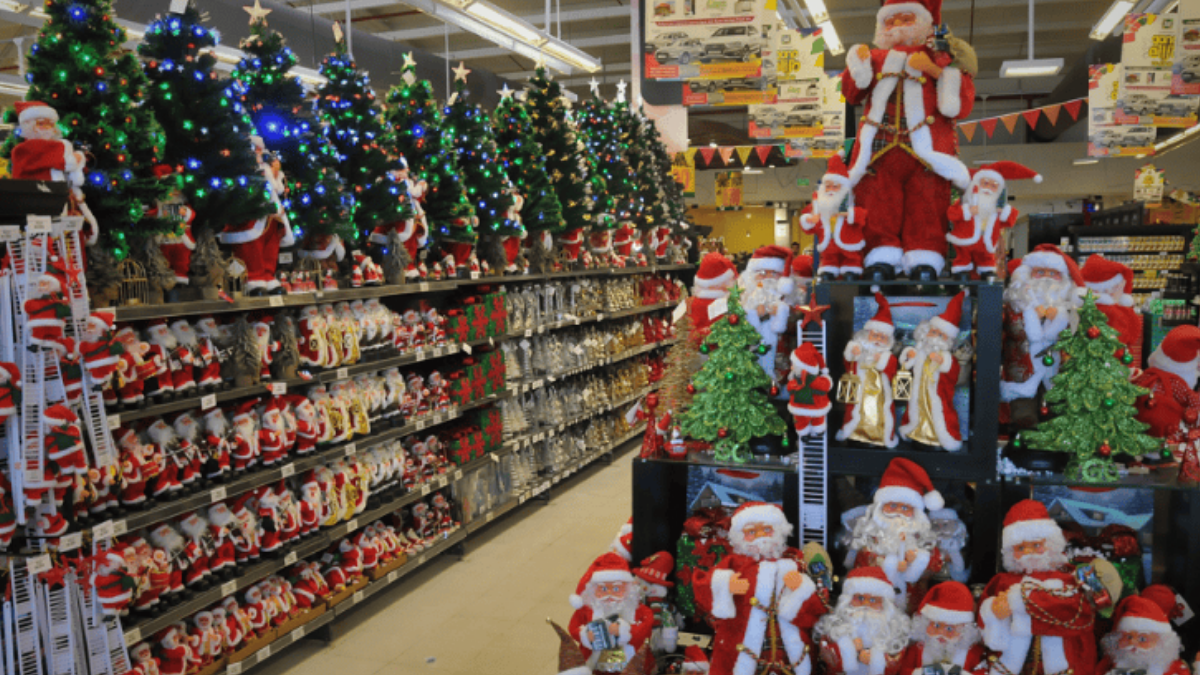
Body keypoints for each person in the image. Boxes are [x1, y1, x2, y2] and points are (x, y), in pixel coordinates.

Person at [840, 0, 975, 281]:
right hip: (878, 153)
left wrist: (935, 70)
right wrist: (858, 63)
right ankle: (880, 255)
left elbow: (961, 104)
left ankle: (925, 256)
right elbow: (852, 94)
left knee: (927, 205)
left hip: (928, 153)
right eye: (890, 22)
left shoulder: (941, 55)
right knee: (877, 204)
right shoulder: (876, 58)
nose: (898, 26)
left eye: (905, 19)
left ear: (924, 21)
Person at [694, 502, 822, 675]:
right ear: (740, 536)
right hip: (742, 649)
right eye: (751, 532)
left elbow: (817, 608)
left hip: (787, 654)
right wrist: (725, 585)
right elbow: (703, 588)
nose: (761, 535)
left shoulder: (794, 562)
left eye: (767, 529)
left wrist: (801, 588)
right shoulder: (733, 564)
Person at [978, 500, 1096, 675]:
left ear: (1052, 544)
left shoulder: (1074, 576)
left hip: (1066, 662)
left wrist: (1019, 601)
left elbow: (1085, 614)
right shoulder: (1002, 580)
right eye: (1020, 547)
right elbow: (982, 620)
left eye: (1036, 545)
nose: (1028, 552)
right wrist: (994, 611)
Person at [847, 457, 946, 611]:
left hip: (913, 604)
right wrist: (888, 563)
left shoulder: (920, 535)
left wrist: (918, 559)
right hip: (877, 605)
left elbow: (936, 565)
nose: (899, 513)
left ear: (915, 512)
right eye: (893, 506)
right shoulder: (872, 534)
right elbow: (861, 562)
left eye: (905, 508)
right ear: (881, 507)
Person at [1000, 245, 1083, 429]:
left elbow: (1076, 336)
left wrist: (1061, 316)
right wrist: (1029, 315)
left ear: (1064, 280)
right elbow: (1012, 331)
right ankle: (1023, 439)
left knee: (1054, 410)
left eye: (1053, 273)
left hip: (1056, 369)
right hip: (1023, 368)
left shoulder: (1069, 309)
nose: (1046, 277)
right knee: (1023, 413)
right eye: (1040, 272)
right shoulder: (1017, 305)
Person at [946, 162, 1040, 280]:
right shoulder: (964, 203)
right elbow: (951, 214)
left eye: (993, 186)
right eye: (985, 183)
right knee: (962, 260)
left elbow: (1010, 221)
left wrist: (1004, 213)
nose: (988, 189)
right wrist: (968, 211)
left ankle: (987, 271)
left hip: (986, 245)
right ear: (976, 184)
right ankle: (961, 271)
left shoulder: (996, 210)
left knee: (987, 262)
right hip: (965, 242)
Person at [567, 552, 655, 674]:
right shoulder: (587, 609)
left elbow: (645, 630)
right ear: (593, 589)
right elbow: (573, 627)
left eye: (616, 588)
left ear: (628, 589)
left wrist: (624, 631)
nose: (609, 594)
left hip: (631, 666)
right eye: (603, 589)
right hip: (596, 665)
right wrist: (586, 635)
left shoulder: (638, 610)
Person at [899, 292, 965, 451]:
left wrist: (942, 361)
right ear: (926, 332)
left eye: (941, 335)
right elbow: (907, 365)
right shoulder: (921, 350)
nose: (935, 337)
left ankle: (936, 437)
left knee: (939, 414)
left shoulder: (946, 356)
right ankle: (918, 433)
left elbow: (953, 373)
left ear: (947, 340)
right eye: (933, 332)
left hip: (937, 394)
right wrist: (909, 355)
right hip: (919, 392)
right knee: (917, 410)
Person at [815, 566, 911, 675]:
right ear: (848, 601)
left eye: (873, 600)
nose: (866, 604)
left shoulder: (893, 630)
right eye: (860, 598)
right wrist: (847, 649)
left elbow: (897, 661)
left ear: (884, 604)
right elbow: (826, 654)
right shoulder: (836, 625)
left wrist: (875, 659)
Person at [837, 293, 900, 448]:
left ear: (888, 341)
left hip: (879, 396)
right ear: (867, 336)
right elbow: (848, 365)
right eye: (875, 335)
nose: (878, 340)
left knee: (878, 415)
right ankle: (855, 434)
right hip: (859, 393)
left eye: (883, 337)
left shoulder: (887, 356)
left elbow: (892, 370)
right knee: (855, 413)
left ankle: (876, 437)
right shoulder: (860, 351)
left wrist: (882, 360)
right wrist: (853, 353)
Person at [800, 155, 867, 281]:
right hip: (828, 248)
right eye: (828, 187)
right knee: (828, 262)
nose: (831, 190)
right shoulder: (819, 208)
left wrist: (847, 214)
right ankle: (828, 270)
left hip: (848, 245)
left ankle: (851, 270)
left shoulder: (850, 204)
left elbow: (862, 216)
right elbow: (809, 226)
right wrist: (808, 220)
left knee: (851, 260)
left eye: (835, 187)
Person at [898, 581, 984, 674]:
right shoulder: (916, 649)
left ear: (965, 630)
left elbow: (982, 671)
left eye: (950, 628)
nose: (941, 633)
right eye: (937, 625)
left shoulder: (974, 653)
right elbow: (904, 670)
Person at [739, 245, 795, 381]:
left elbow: (795, 326)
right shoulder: (746, 296)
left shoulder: (786, 297)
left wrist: (783, 313)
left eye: (775, 273)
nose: (768, 277)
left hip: (780, 351)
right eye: (763, 273)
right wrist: (753, 314)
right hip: (752, 347)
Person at [1097, 595, 1189, 675]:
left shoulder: (1174, 667)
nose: (1132, 642)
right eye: (1129, 637)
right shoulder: (1111, 663)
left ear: (1162, 642)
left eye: (1142, 639)